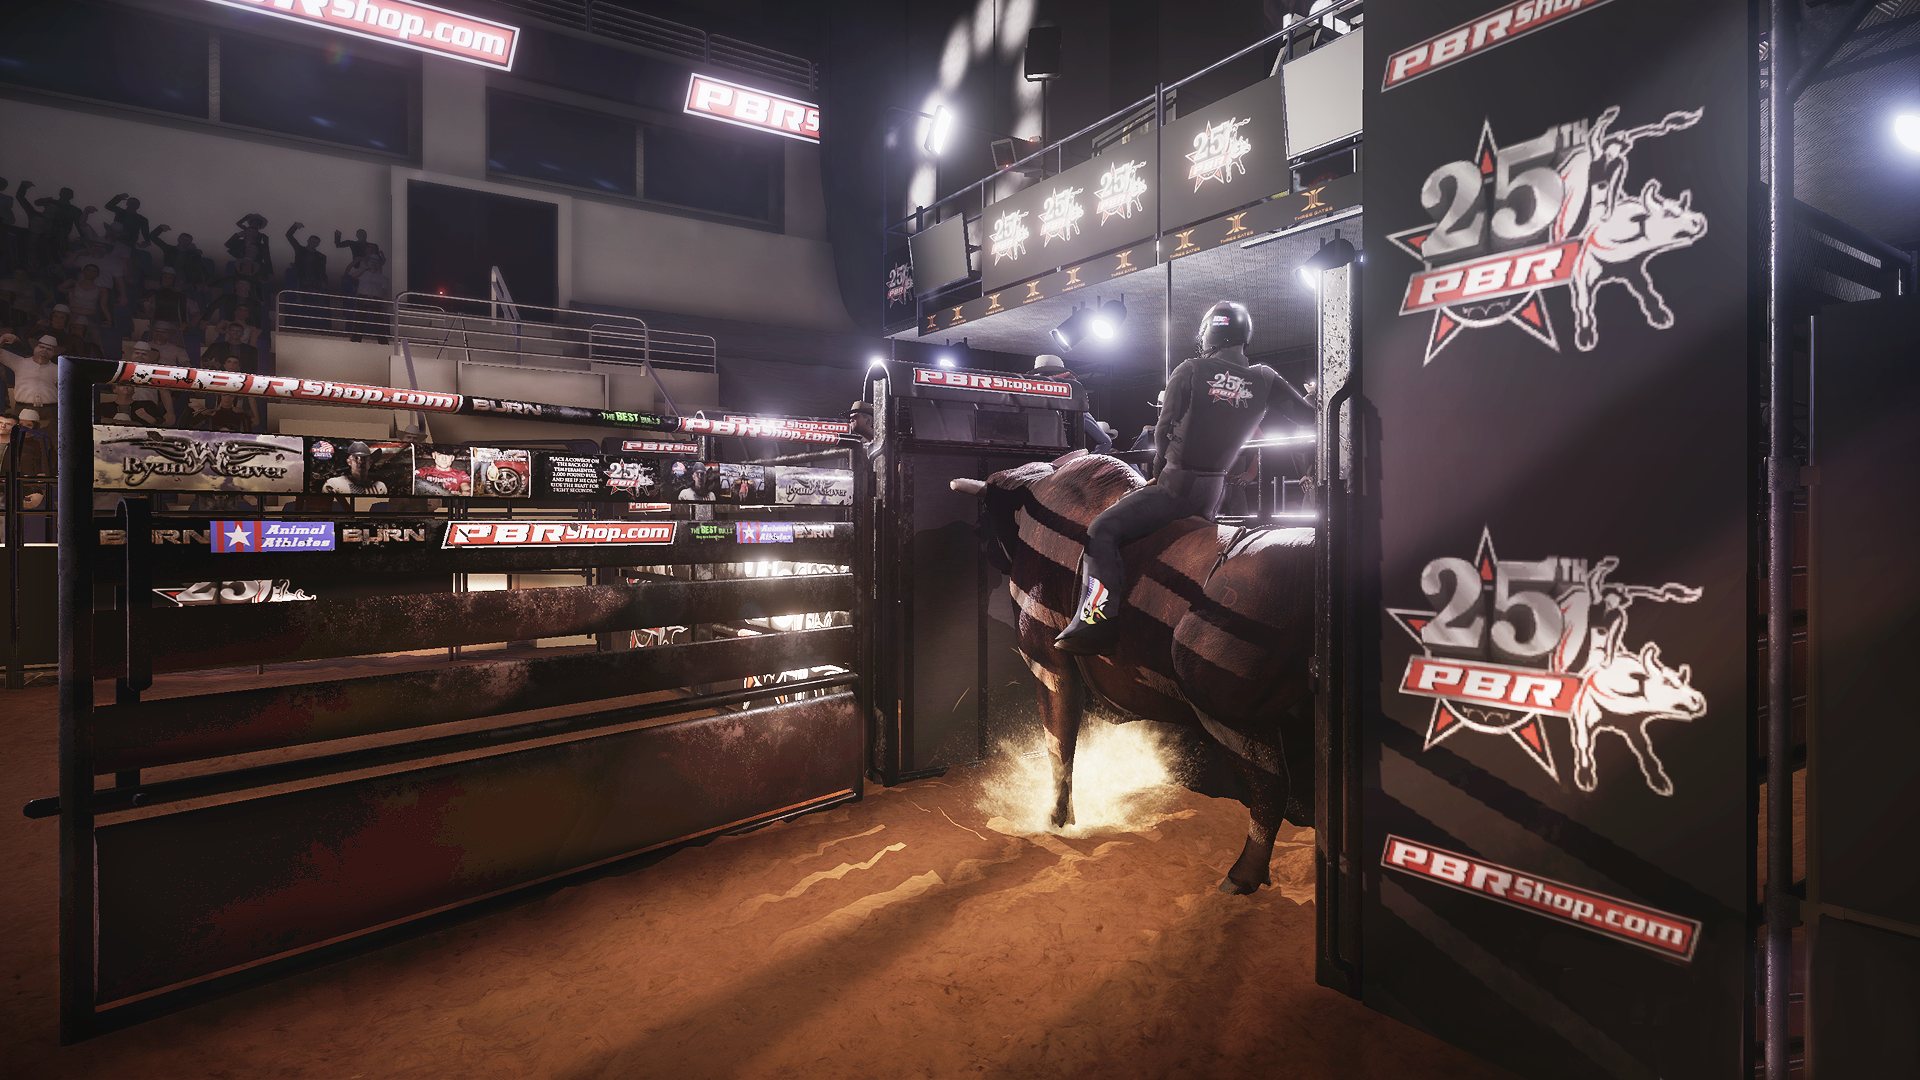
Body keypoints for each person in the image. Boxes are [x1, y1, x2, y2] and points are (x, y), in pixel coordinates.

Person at [1054, 301, 1311, 655]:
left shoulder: (1190, 369)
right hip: (1214, 494)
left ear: (1210, 333)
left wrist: (1157, 475)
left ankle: (1095, 621)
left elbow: (1163, 433)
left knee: (1101, 530)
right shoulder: (1265, 378)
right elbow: (1311, 417)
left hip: (1176, 488)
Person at [1032, 354, 1113, 453]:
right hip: (1062, 459)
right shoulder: (1074, 404)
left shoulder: (1022, 401)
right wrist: (1085, 461)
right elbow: (1105, 442)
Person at [1, 333, 62, 432]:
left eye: (49, 349)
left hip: (50, 410)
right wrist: (3, 339)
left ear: (53, 353)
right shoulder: (19, 362)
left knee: (50, 436)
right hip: (22, 408)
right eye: (41, 347)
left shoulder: (59, 369)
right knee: (19, 437)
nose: (44, 350)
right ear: (35, 347)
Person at [322, 442, 388, 495]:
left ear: (370, 462)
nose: (360, 461)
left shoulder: (380, 487)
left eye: (364, 458)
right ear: (349, 462)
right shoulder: (334, 484)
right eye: (356, 458)